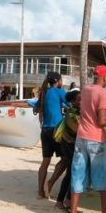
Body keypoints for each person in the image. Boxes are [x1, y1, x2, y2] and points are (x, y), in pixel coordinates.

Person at [69, 64, 106, 213]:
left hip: (81, 138)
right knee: (102, 178)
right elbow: (102, 120)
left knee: (77, 176)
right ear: (105, 77)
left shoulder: (85, 90)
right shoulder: (102, 93)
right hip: (96, 140)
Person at [33, 71, 67, 200]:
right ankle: (51, 182)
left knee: (45, 162)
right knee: (65, 159)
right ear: (58, 81)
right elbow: (71, 103)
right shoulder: (59, 92)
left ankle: (40, 192)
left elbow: (36, 108)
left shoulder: (44, 93)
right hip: (56, 130)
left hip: (45, 131)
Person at [53, 89, 81, 212]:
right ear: (73, 101)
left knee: (71, 174)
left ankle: (63, 201)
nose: (82, 101)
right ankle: (65, 202)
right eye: (80, 99)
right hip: (69, 145)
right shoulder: (71, 114)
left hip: (70, 145)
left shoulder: (75, 112)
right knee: (72, 174)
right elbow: (78, 129)